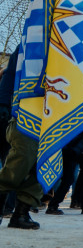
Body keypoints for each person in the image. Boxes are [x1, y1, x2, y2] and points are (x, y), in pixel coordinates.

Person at [0, 44, 42, 230]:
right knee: (21, 157)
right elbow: (11, 72)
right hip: (25, 108)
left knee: (45, 163)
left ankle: (21, 212)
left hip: (56, 113)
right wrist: (2, 100)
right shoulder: (33, 35)